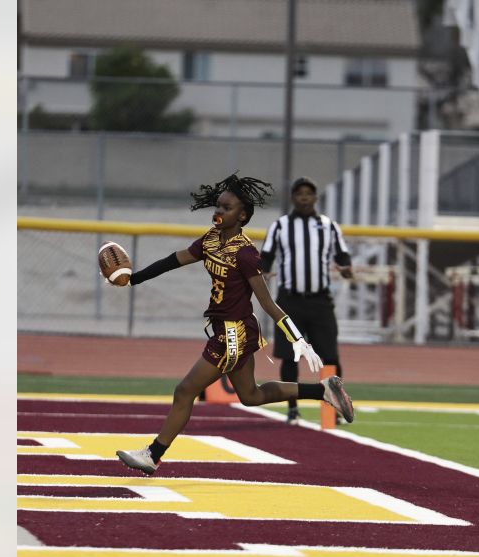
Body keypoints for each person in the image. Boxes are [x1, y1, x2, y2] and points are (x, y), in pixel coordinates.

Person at [112, 173, 355, 476]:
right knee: (251, 396)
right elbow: (174, 260)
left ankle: (153, 454)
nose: (219, 211)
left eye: (227, 208)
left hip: (234, 332)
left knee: (185, 390)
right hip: (224, 328)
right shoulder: (211, 239)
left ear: (242, 216)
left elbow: (267, 302)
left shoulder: (245, 253)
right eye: (218, 206)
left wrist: (298, 340)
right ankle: (324, 392)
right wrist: (134, 278)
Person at [260, 176, 352, 423]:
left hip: (320, 301)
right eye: (299, 193)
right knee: (291, 357)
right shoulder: (280, 226)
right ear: (292, 197)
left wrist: (346, 268)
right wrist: (262, 272)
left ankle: (336, 407)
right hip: (290, 301)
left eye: (308, 193)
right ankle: (292, 408)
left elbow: (343, 255)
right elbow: (266, 256)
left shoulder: (328, 225)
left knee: (330, 356)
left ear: (315, 198)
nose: (304, 197)